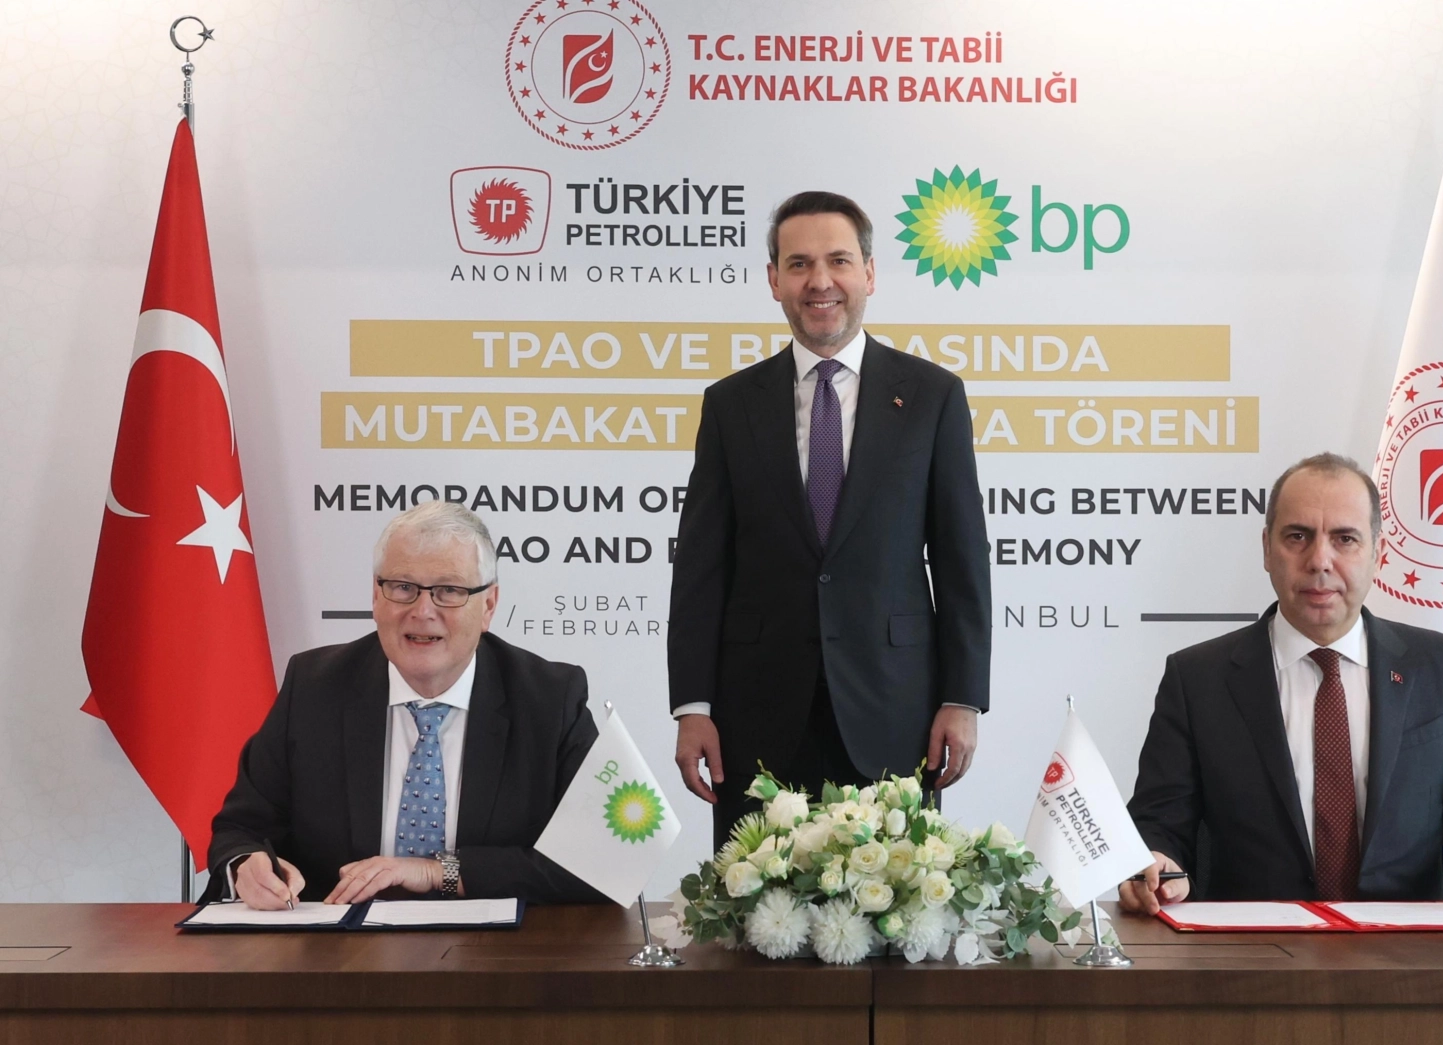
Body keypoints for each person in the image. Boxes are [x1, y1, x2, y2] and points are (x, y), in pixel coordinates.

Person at [669, 191, 992, 849]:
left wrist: (962, 698)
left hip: (895, 716)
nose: (820, 281)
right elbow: (702, 567)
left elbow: (962, 560)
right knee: (758, 906)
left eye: (839, 261)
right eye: (799, 264)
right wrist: (692, 707)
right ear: (774, 280)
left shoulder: (932, 397)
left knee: (895, 904)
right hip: (755, 721)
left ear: (869, 273)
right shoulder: (730, 405)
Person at [1120, 453, 1443, 916]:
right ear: (1267, 549)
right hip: (1250, 947)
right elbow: (1159, 824)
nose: (1319, 561)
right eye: (1297, 536)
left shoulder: (1440, 667)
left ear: (1378, 552)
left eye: (1344, 539)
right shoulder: (1198, 678)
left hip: (1407, 950)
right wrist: (1155, 863)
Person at [204, 501, 606, 909]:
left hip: (499, 947)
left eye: (449, 590)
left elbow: (602, 859)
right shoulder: (314, 687)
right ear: (375, 596)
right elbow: (240, 829)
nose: (423, 611)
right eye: (403, 587)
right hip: (338, 943)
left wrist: (437, 872)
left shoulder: (549, 700)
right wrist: (246, 865)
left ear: (488, 606)